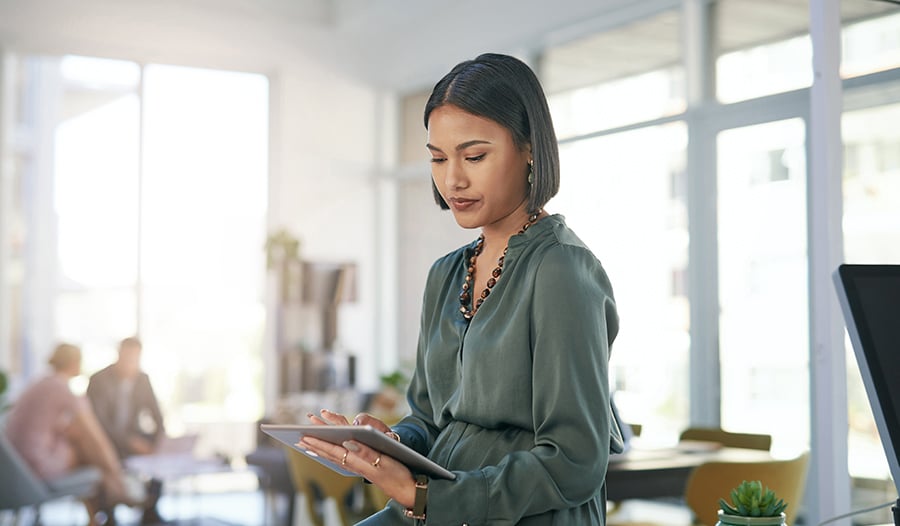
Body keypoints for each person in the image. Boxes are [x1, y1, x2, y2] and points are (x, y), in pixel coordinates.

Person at [299, 53, 623, 525]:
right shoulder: (446, 274)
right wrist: (385, 442)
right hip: (438, 507)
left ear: (529, 148)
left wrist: (426, 495)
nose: (452, 178)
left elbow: (574, 461)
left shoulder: (562, 271)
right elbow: (430, 422)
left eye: (474, 156)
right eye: (437, 158)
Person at [4, 343, 143, 525]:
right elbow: (94, 434)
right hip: (34, 467)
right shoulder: (60, 387)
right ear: (75, 362)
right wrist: (113, 467)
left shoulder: (40, 383)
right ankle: (118, 487)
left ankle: (100, 511)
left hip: (13, 468)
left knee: (78, 438)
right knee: (87, 447)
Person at [87, 336, 166, 524]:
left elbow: (156, 413)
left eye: (135, 358)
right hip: (105, 439)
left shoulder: (142, 379)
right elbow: (99, 423)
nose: (130, 362)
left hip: (132, 435)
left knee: (158, 456)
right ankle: (109, 514)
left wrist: (160, 441)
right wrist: (130, 442)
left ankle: (150, 509)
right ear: (119, 354)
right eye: (127, 356)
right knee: (105, 457)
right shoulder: (99, 380)